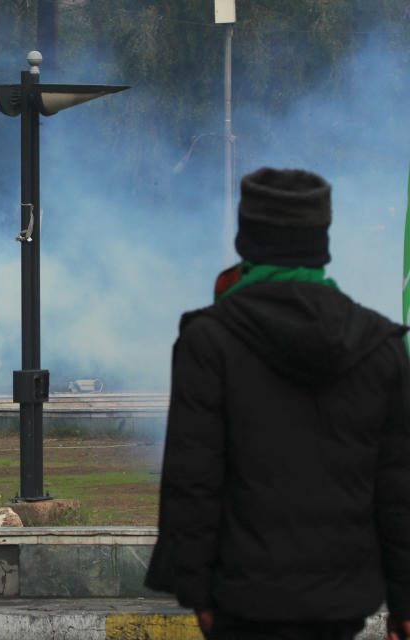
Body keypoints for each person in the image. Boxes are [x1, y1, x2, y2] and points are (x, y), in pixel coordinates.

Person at [144, 167, 410, 640]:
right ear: (322, 241)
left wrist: (196, 591)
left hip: (240, 595)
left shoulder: (209, 341)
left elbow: (193, 479)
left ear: (246, 239)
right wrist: (405, 601)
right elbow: (398, 491)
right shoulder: (382, 346)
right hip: (341, 599)